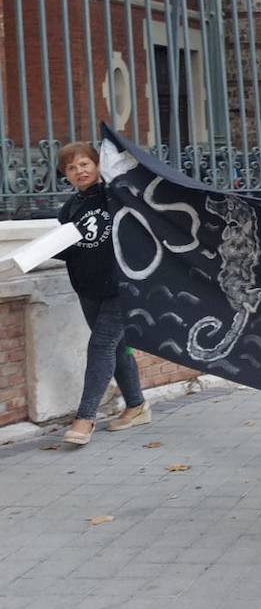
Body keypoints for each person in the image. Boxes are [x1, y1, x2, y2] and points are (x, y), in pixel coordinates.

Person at [54, 142, 151, 446]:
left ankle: (85, 418)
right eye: (71, 167)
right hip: (88, 288)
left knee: (100, 346)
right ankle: (136, 406)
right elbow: (71, 250)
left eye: (84, 163)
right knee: (117, 346)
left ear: (97, 165)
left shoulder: (116, 197)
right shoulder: (69, 209)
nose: (79, 170)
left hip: (120, 288)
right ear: (65, 175)